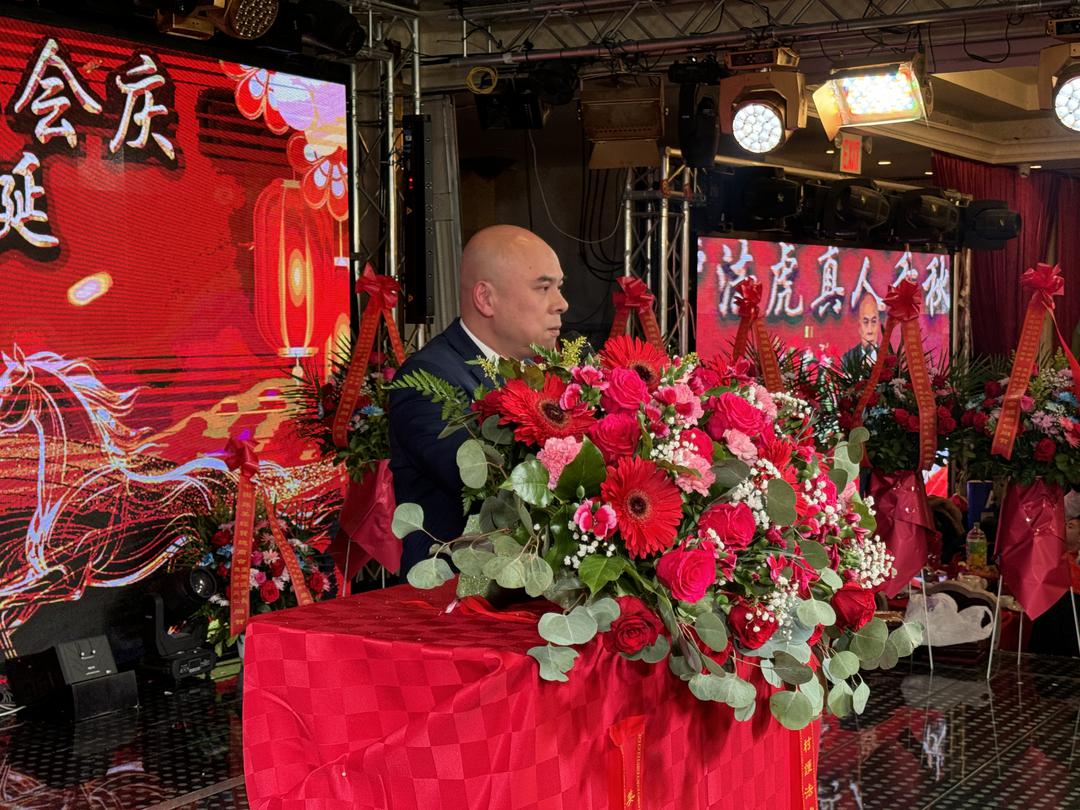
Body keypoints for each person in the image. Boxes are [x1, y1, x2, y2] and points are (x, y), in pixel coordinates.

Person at [389, 224, 568, 575]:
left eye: (559, 287)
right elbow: (495, 492)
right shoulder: (428, 380)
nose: (561, 304)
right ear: (485, 299)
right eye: (543, 288)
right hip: (457, 594)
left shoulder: (546, 369)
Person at [842, 293, 883, 370]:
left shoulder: (887, 358)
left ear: (878, 324)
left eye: (874, 321)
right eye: (865, 322)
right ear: (859, 326)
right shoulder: (848, 359)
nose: (870, 330)